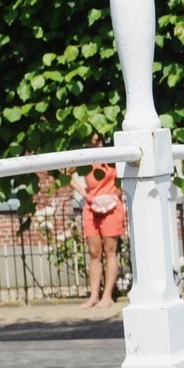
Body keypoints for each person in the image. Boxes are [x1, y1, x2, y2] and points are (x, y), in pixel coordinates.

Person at [70, 131, 126, 308]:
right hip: (91, 206)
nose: (97, 143)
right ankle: (93, 295)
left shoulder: (112, 157)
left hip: (111, 207)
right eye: (93, 140)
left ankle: (107, 295)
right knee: (94, 252)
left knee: (110, 250)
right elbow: (65, 174)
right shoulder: (86, 157)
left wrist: (116, 193)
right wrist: (84, 193)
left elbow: (124, 177)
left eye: (99, 139)